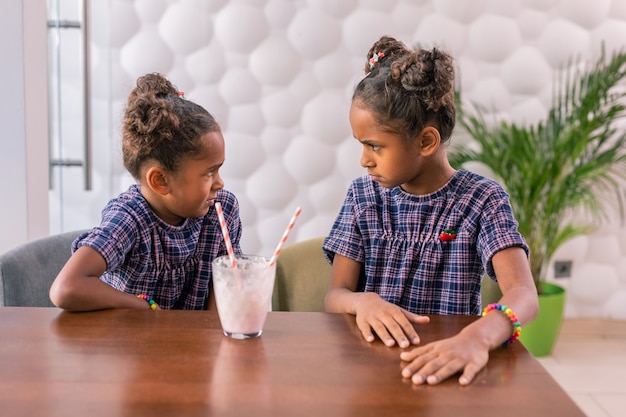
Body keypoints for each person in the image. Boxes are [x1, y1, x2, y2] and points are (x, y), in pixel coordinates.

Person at [322, 36, 539, 386]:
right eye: (361, 145)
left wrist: (478, 337)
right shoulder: (363, 196)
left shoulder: (482, 200)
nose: (364, 160)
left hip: (450, 370)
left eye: (374, 145)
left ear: (425, 141)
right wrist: (362, 302)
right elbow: (336, 295)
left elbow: (525, 295)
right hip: (372, 372)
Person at [50, 73, 242, 312]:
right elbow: (66, 288)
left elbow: (222, 291)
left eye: (219, 169)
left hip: (195, 346)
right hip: (132, 346)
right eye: (209, 172)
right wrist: (143, 308)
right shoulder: (130, 218)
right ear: (160, 181)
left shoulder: (222, 210)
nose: (220, 183)